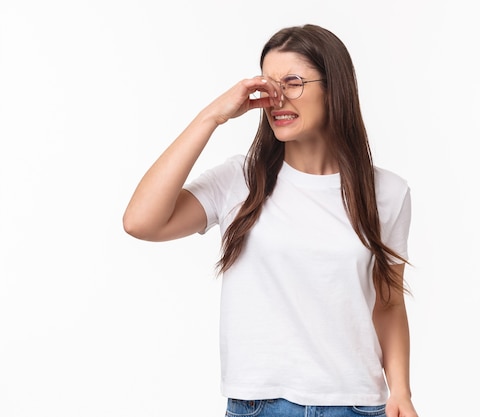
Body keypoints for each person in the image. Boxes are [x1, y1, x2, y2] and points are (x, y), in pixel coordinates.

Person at [123, 24, 418, 417]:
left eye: (292, 82)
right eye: (268, 85)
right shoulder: (240, 180)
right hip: (259, 406)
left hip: (356, 405)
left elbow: (389, 303)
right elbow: (141, 222)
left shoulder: (388, 192)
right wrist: (211, 116)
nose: (276, 98)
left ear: (335, 89)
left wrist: (401, 392)